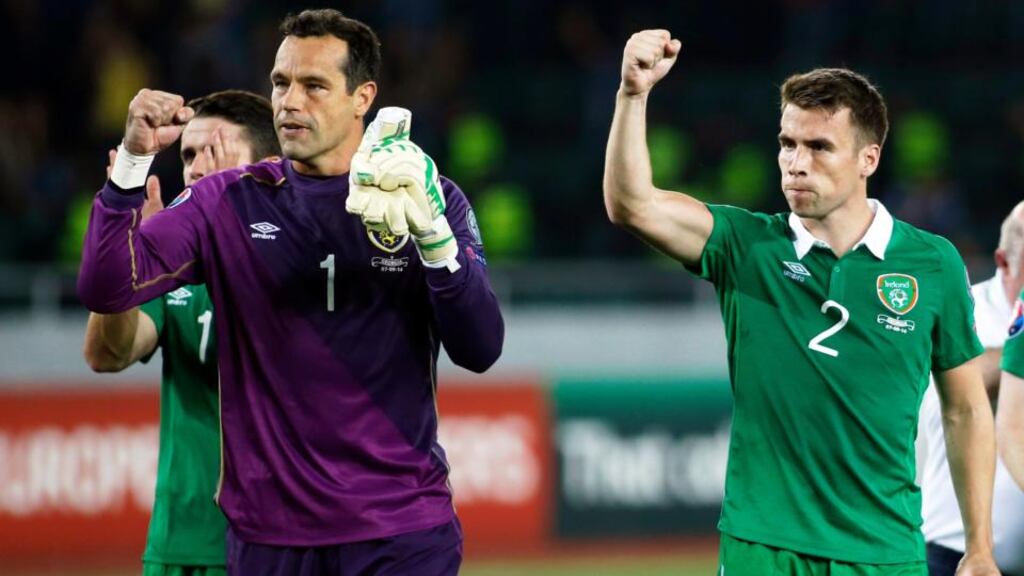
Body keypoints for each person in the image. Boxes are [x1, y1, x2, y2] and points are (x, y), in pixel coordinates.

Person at [77, 8, 503, 576]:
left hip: (399, 535)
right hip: (268, 543)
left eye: (314, 85)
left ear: (363, 97)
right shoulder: (226, 201)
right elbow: (106, 286)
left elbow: (480, 350)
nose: (289, 101)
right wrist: (131, 162)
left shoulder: (428, 197)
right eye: (280, 83)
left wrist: (435, 243)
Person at [603, 30, 999, 575]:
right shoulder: (746, 245)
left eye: (818, 147)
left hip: (884, 552)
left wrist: (979, 548)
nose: (795, 162)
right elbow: (632, 205)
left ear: (868, 159)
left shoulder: (933, 264)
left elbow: (966, 408)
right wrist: (632, 96)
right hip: (761, 549)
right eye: (787, 143)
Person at [81, 89, 280, 576]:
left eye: (218, 153)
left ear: (271, 166)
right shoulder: (172, 273)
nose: (196, 168)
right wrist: (128, 266)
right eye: (188, 155)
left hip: (279, 539)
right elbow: (107, 355)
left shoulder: (305, 266)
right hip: (183, 542)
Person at [920, 201, 1024, 576]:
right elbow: (952, 383)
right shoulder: (966, 309)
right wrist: (1018, 355)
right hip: (955, 555)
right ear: (1003, 260)